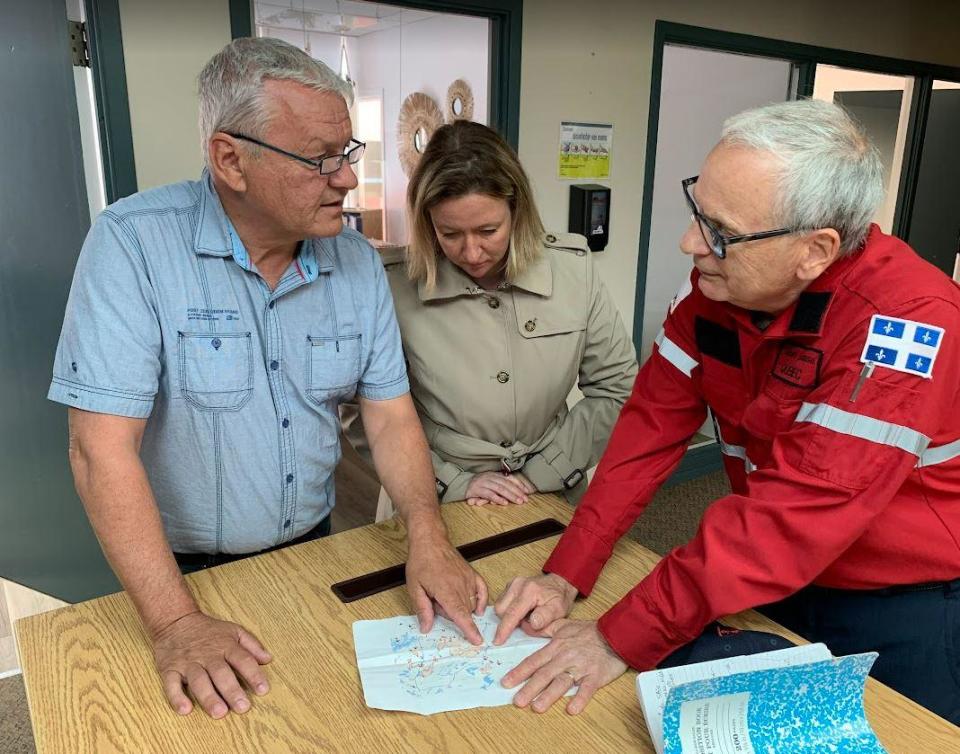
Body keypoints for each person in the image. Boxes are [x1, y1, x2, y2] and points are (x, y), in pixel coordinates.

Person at [47, 38, 487, 720]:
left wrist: (427, 537)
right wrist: (174, 625)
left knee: (326, 712)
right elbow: (98, 449)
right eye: (320, 159)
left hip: (314, 546)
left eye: (349, 153)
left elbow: (391, 414)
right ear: (230, 159)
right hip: (179, 573)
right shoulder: (131, 245)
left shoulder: (355, 262)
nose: (345, 179)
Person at [492, 99, 960, 724]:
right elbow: (648, 432)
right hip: (775, 579)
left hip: (906, 599)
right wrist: (568, 571)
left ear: (815, 251)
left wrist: (614, 636)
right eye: (697, 212)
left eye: (721, 232)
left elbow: (791, 518)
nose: (691, 243)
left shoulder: (908, 323)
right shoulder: (716, 284)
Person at [347, 120, 636, 512]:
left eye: (488, 230)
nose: (472, 252)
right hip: (431, 497)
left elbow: (617, 389)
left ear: (516, 211)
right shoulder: (391, 285)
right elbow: (363, 410)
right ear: (427, 223)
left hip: (550, 489)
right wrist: (451, 481)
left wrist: (545, 471)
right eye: (450, 234)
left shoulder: (574, 272)